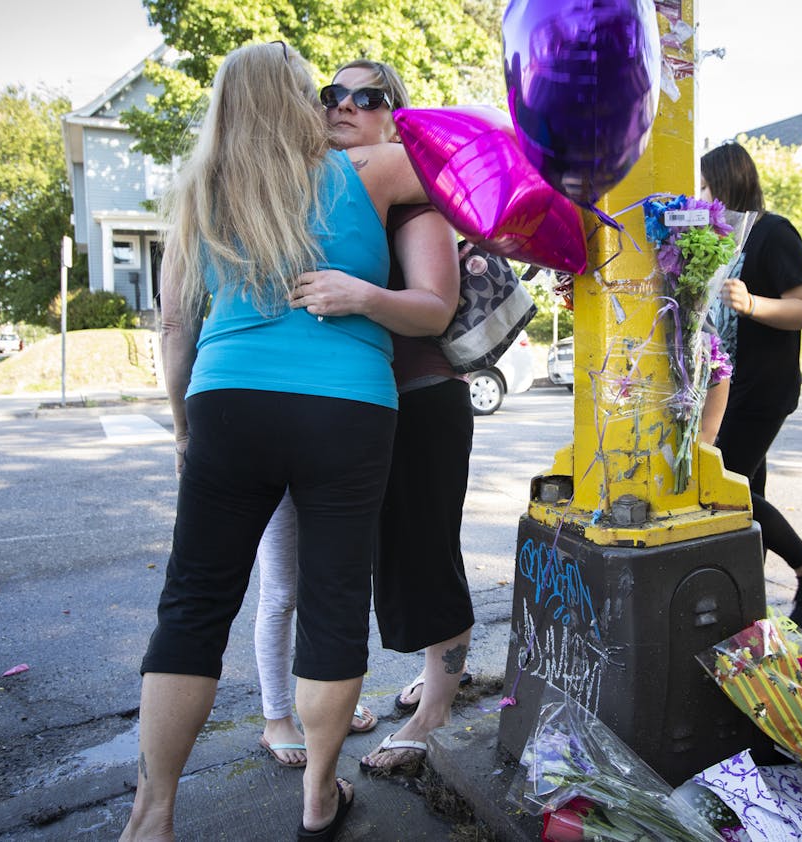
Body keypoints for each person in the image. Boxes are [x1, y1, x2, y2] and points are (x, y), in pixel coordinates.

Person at [120, 42, 430, 842]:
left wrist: (185, 426)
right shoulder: (376, 171)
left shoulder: (199, 192)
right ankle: (319, 798)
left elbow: (175, 323)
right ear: (301, 98)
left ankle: (153, 817)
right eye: (319, 92)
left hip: (229, 402)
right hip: (349, 407)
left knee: (192, 607)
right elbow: (459, 163)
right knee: (332, 604)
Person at [251, 59, 469, 777]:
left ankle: (435, 709)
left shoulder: (410, 196)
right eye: (331, 95)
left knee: (423, 556)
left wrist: (359, 294)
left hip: (418, 398)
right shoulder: (313, 190)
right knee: (352, 568)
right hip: (340, 407)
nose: (344, 106)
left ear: (393, 117)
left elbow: (432, 308)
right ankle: (368, 695)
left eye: (366, 97)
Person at [698, 142, 802, 632]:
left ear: (727, 183)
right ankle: (748, 611)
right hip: (728, 388)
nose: (700, 196)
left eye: (705, 186)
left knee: (726, 488)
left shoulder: (774, 232)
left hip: (761, 388)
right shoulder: (725, 241)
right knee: (745, 498)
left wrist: (752, 304)